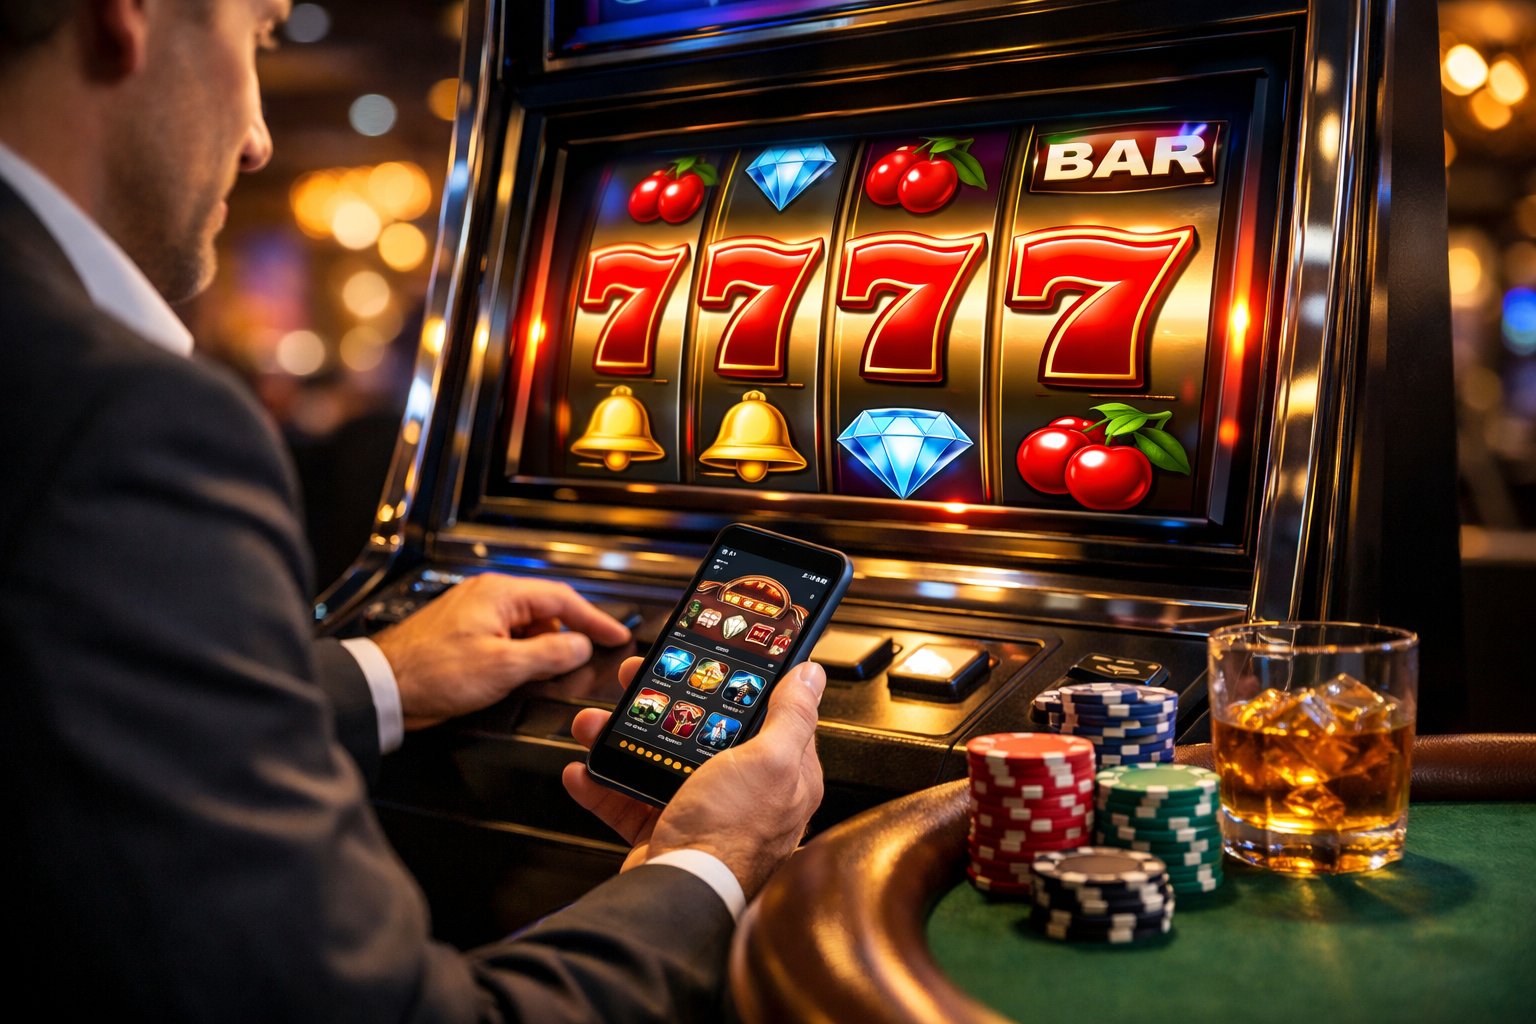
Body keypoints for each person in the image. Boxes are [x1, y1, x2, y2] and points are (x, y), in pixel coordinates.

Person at [0, 1, 827, 1019]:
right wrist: (710, 864)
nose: (259, 136)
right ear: (127, 15)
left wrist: (378, 674)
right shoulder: (116, 417)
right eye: (256, 35)